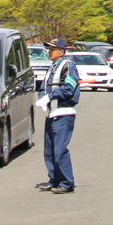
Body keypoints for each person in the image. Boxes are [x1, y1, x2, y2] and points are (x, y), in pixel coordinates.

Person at [35, 38, 80, 194]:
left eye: (52, 49)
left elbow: (69, 87)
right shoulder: (52, 68)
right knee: (49, 150)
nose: (49, 51)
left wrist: (50, 96)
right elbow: (43, 87)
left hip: (63, 113)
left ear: (61, 52)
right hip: (51, 113)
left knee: (60, 149)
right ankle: (54, 179)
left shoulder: (68, 66)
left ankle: (67, 182)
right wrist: (42, 98)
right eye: (49, 49)